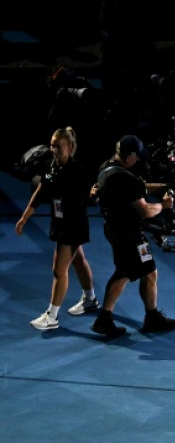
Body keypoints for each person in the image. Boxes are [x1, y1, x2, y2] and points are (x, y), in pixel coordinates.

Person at [90, 135, 175, 337]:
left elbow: (137, 187)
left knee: (136, 271)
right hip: (129, 234)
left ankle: (142, 317)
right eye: (137, 156)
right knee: (133, 272)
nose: (139, 160)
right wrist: (164, 205)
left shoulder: (108, 167)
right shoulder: (123, 178)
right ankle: (138, 318)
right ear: (130, 155)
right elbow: (146, 210)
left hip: (115, 229)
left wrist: (164, 185)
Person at [16, 127, 100, 330]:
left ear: (70, 147)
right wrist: (25, 217)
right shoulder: (52, 165)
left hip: (73, 226)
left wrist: (94, 195)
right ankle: (90, 299)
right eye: (52, 145)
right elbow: (41, 190)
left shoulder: (77, 172)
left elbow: (90, 199)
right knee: (78, 260)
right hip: (61, 222)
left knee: (58, 270)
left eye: (58, 146)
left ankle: (52, 316)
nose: (53, 149)